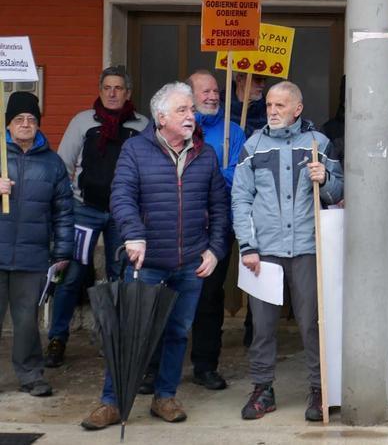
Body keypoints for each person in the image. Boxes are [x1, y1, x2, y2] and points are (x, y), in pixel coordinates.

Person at [80, 82, 228, 430]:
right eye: (182, 110)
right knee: (131, 331)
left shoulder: (205, 154)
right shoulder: (135, 150)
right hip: (145, 262)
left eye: (191, 110)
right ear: (161, 118)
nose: (191, 115)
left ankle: (164, 396)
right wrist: (133, 233)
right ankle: (112, 401)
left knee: (177, 332)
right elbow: (122, 196)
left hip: (191, 262)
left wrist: (216, 249)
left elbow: (220, 207)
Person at [232, 81, 342, 422]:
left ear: (298, 108)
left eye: (280, 105)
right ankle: (263, 389)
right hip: (263, 251)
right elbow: (240, 198)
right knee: (262, 326)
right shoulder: (253, 146)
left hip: (308, 249)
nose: (273, 111)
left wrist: (325, 179)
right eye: (269, 105)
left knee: (312, 323)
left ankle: (318, 389)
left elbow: (339, 192)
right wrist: (247, 246)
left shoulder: (318, 144)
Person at [47, 66, 148, 368]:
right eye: (107, 87)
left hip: (123, 214)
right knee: (72, 273)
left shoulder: (142, 126)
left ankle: (113, 337)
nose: (113, 93)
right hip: (84, 211)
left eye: (119, 88)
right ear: (100, 90)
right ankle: (57, 338)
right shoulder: (82, 122)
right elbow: (62, 165)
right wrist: (68, 202)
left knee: (121, 275)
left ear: (128, 93)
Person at [0, 92, 74, 396]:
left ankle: (31, 375)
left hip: (32, 255)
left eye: (31, 119)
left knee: (27, 322)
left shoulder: (53, 163)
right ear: (8, 124)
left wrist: (62, 251)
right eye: (19, 119)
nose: (26, 124)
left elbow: (64, 211)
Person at [185, 69, 246, 390]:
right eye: (204, 92)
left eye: (215, 92)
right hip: (178, 227)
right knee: (171, 298)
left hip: (217, 227)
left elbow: (240, 177)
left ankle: (205, 365)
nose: (212, 97)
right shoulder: (173, 129)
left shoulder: (232, 133)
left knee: (210, 299)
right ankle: (158, 368)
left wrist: (206, 177)